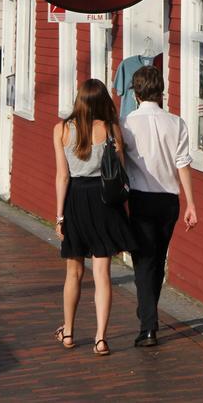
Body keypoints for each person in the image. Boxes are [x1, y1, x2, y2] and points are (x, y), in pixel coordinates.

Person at [53, 79, 136, 356]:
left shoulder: (62, 129)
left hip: (75, 199)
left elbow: (62, 176)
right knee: (102, 273)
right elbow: (121, 170)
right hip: (103, 201)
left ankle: (68, 331)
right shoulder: (111, 130)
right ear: (102, 102)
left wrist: (60, 216)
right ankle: (100, 338)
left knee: (73, 271)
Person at [121, 65, 198, 348]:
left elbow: (119, 162)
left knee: (143, 261)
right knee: (159, 259)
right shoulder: (177, 123)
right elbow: (183, 164)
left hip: (140, 198)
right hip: (169, 200)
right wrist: (191, 203)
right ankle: (148, 314)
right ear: (160, 90)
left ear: (136, 92)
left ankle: (148, 326)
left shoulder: (126, 123)